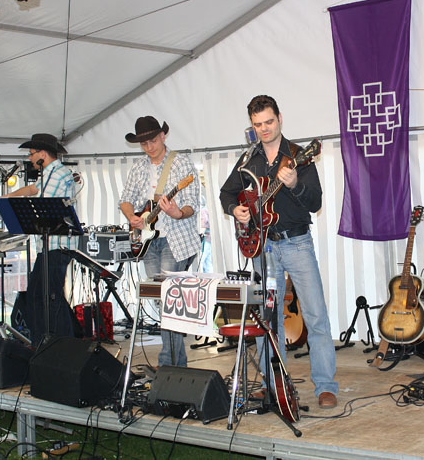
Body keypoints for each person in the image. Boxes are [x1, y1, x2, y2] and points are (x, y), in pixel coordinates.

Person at [219, 95, 338, 409]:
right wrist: (235, 210)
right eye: (258, 124)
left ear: (280, 118)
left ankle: (326, 386)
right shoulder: (249, 159)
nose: (264, 129)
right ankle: (271, 385)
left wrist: (296, 183)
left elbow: (315, 202)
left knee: (315, 315)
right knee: (267, 320)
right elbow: (226, 192)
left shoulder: (298, 156)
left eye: (269, 122)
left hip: (297, 243)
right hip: (264, 247)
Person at [119, 116, 200, 368]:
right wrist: (131, 217)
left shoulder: (181, 163)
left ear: (163, 136)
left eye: (152, 141)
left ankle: (169, 364)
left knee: (169, 300)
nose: (149, 147)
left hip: (175, 241)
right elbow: (125, 199)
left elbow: (192, 204)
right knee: (162, 301)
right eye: (144, 144)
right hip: (148, 241)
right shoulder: (138, 167)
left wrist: (177, 212)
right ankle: (175, 364)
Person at [6, 133, 78, 341]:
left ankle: (61, 344)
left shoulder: (58, 175)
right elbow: (32, 189)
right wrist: (7, 197)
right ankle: (51, 342)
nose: (29, 158)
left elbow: (43, 203)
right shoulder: (47, 175)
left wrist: (11, 205)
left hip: (58, 244)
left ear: (43, 154)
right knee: (41, 295)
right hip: (49, 244)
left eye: (31, 154)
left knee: (48, 296)